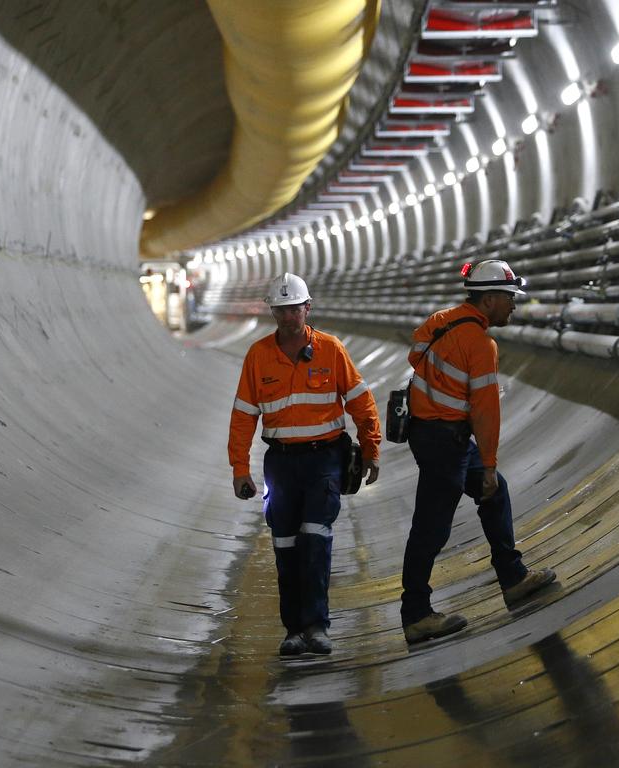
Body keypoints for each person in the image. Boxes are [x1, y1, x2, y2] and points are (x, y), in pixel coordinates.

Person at [400, 259, 555, 644]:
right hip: (445, 439)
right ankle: (416, 614)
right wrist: (487, 463)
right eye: (508, 298)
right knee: (432, 527)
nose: (513, 305)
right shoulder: (482, 346)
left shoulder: (441, 320)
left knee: (496, 492)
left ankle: (513, 576)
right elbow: (486, 412)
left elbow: (416, 351)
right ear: (487, 301)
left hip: (430, 431)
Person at [229, 273, 382, 656]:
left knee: (315, 539)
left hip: (324, 459)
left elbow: (362, 403)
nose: (288, 316)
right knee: (285, 545)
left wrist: (371, 449)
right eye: (281, 310)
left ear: (307, 308)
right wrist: (239, 468)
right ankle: (293, 630)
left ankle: (316, 626)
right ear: (273, 312)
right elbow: (244, 415)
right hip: (281, 464)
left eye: (294, 309)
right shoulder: (259, 355)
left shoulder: (331, 350)